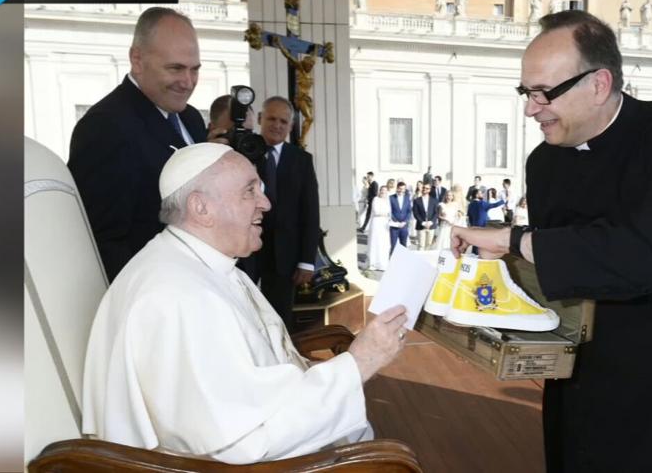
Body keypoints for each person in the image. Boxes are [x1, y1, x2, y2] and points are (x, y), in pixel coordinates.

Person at [452, 10, 652, 472]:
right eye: (525, 92)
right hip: (592, 373)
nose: (530, 108)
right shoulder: (544, 162)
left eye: (543, 93)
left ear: (598, 84)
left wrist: (515, 240)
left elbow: (647, 253)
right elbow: (562, 269)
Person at [82, 143, 409, 464]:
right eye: (249, 191)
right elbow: (245, 445)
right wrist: (360, 362)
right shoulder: (179, 298)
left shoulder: (200, 263)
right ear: (201, 208)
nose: (266, 203)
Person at [68, 7, 206, 282]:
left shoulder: (190, 118)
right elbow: (103, 242)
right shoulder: (105, 127)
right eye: (175, 68)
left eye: (195, 69)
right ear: (137, 60)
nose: (188, 82)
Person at [254, 96, 320, 331]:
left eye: (283, 121)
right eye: (271, 118)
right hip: (246, 253)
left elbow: (310, 213)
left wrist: (307, 261)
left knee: (280, 318)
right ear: (260, 119)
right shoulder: (244, 152)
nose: (277, 125)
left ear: (290, 126)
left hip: (285, 258)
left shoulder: (301, 160)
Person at [366, 186, 392, 271]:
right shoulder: (375, 199)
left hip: (385, 223)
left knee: (384, 243)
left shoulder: (388, 200)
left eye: (385, 190)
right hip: (376, 223)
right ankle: (373, 263)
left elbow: (390, 212)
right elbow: (376, 211)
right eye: (382, 190)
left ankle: (382, 263)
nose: (383, 192)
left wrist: (386, 215)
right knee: (375, 242)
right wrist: (385, 214)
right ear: (379, 191)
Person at [412, 183, 439, 251]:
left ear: (429, 190)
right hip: (421, 226)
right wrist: (423, 223)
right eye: (423, 187)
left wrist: (431, 222)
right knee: (421, 245)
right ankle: (420, 260)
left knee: (429, 245)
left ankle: (427, 260)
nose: (424, 189)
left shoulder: (434, 200)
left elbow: (436, 213)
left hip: (431, 226)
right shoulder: (417, 200)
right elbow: (415, 213)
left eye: (427, 188)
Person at [389, 181, 411, 252]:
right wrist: (396, 221)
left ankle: (402, 261)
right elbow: (390, 211)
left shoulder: (407, 198)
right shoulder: (391, 198)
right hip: (394, 226)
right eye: (400, 188)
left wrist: (405, 222)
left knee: (403, 246)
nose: (401, 190)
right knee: (393, 245)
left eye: (403, 189)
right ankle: (392, 261)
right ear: (397, 188)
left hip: (404, 226)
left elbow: (409, 211)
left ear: (405, 190)